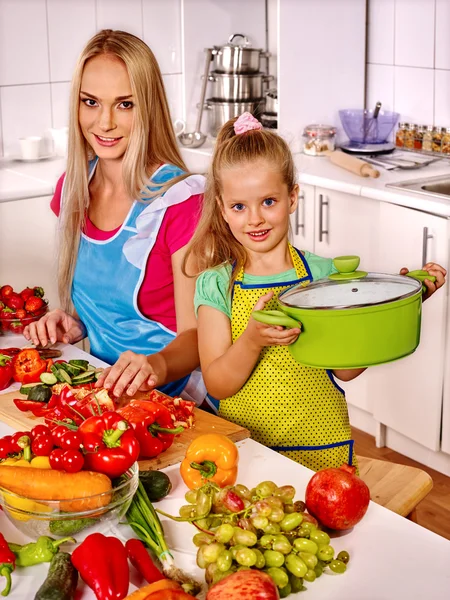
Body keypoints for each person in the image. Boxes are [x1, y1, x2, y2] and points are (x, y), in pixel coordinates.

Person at [184, 112, 447, 471]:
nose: (255, 219)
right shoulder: (215, 284)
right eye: (239, 207)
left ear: (292, 198)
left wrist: (399, 305)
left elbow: (345, 371)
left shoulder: (323, 276)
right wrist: (251, 340)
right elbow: (217, 384)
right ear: (223, 210)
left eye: (269, 201)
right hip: (246, 454)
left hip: (322, 453)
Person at [24, 29, 205, 403]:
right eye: (90, 102)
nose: (104, 123)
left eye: (125, 104)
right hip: (102, 391)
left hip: (174, 400)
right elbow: (106, 314)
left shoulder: (179, 201)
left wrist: (155, 365)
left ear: (149, 106)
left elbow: (199, 338)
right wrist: (73, 322)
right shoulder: (72, 190)